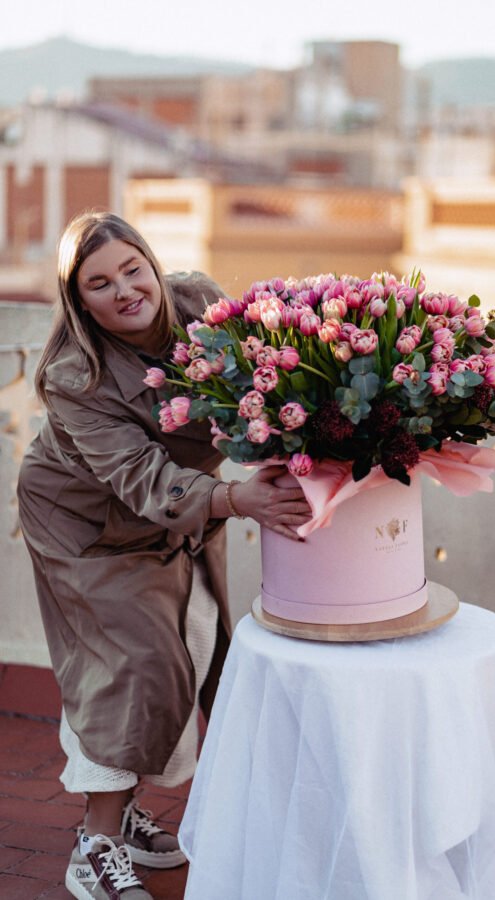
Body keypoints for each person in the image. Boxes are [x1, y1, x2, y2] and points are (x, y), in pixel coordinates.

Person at [17, 211, 311, 900]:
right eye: (98, 283)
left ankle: (125, 811)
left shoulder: (200, 305)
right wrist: (238, 500)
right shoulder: (72, 374)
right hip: (86, 526)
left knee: (200, 643)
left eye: (131, 269)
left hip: (186, 512)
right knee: (127, 663)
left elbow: (263, 380)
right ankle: (95, 843)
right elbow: (140, 478)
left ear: (151, 264)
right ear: (77, 301)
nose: (124, 290)